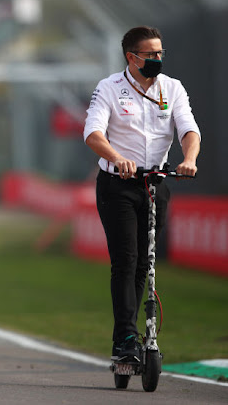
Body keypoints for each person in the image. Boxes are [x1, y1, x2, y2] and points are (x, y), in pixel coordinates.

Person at [83, 26, 200, 361]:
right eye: (150, 54)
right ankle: (125, 339)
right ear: (131, 57)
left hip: (155, 184)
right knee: (125, 260)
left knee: (146, 264)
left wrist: (189, 159)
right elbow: (92, 133)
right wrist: (117, 158)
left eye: (160, 53)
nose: (157, 59)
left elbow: (188, 128)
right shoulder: (110, 88)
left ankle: (136, 336)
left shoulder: (172, 88)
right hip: (117, 185)